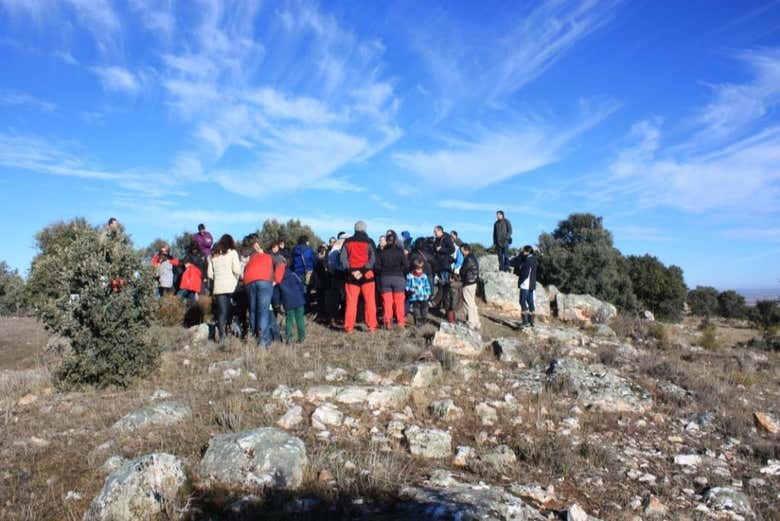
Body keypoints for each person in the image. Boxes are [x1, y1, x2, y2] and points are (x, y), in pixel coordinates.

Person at [242, 234, 284, 347]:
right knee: (263, 311)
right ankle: (263, 341)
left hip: (249, 281)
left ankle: (253, 336)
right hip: (264, 280)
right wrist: (276, 281)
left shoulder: (251, 258)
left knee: (253, 310)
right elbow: (281, 265)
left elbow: (245, 271)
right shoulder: (268, 256)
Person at [340, 221, 378, 333]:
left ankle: (348, 327)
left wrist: (352, 270)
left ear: (355, 229)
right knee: (370, 302)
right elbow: (373, 259)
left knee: (351, 303)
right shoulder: (370, 241)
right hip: (367, 275)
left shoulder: (347, 241)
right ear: (365, 229)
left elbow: (343, 259)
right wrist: (363, 270)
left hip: (351, 276)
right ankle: (372, 326)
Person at [208, 234, 241, 343]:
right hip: (231, 287)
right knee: (233, 312)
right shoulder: (232, 253)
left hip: (218, 288)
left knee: (222, 313)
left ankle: (222, 337)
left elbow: (210, 274)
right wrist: (236, 279)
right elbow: (237, 270)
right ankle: (234, 333)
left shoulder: (213, 256)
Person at [376, 230, 408, 329]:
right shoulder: (400, 251)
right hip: (398, 277)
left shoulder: (382, 252)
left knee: (387, 302)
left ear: (386, 240)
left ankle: (388, 322)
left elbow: (377, 267)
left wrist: (382, 272)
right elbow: (406, 266)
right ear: (395, 240)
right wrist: (401, 272)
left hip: (385, 278)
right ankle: (401, 323)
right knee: (399, 302)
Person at [277, 261, 307, 343]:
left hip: (287, 301)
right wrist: (301, 295)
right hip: (299, 300)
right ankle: (302, 337)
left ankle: (289, 338)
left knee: (289, 320)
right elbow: (301, 286)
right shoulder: (293, 274)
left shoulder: (279, 278)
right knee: (300, 319)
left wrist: (278, 303)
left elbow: (278, 293)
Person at [511, 245, 538, 328]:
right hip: (532, 284)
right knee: (530, 301)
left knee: (522, 301)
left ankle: (525, 321)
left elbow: (524, 272)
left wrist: (519, 275)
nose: (522, 252)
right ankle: (532, 321)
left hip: (525, 284)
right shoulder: (534, 259)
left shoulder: (528, 260)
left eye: (523, 251)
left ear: (527, 251)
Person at [459, 244, 481, 330]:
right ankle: (477, 323)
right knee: (472, 303)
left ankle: (470, 323)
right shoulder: (473, 257)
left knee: (468, 303)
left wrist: (461, 275)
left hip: (468, 282)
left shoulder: (468, 258)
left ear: (465, 249)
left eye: (461, 250)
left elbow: (463, 270)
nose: (461, 252)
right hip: (473, 282)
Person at [406, 258, 431, 325]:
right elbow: (407, 286)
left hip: (423, 295)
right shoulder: (410, 276)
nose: (419, 271)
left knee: (425, 308)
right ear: (414, 268)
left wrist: (428, 293)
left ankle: (424, 320)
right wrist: (411, 289)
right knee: (416, 309)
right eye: (417, 269)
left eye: (420, 269)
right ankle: (417, 322)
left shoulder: (424, 276)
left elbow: (427, 285)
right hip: (414, 296)